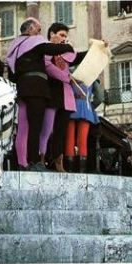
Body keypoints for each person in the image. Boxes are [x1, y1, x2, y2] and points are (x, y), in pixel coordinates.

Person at [6, 18, 74, 171]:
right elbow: (52, 49)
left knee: (23, 127)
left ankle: (22, 163)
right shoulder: (34, 41)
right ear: (30, 30)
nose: (40, 33)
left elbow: (11, 75)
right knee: (35, 126)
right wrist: (67, 46)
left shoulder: (14, 46)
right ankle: (34, 162)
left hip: (22, 88)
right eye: (38, 29)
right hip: (36, 87)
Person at [40, 22, 86, 172]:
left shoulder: (65, 51)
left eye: (66, 36)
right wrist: (65, 77)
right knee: (46, 130)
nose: (64, 38)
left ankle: (58, 164)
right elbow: (47, 66)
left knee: (60, 132)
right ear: (52, 34)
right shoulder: (46, 47)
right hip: (51, 93)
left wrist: (97, 49)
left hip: (65, 96)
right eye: (61, 35)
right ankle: (40, 160)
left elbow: (77, 57)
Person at [64, 81, 101, 173]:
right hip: (85, 106)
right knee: (82, 140)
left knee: (69, 139)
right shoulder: (92, 75)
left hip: (70, 105)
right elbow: (100, 97)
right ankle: (82, 170)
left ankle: (70, 169)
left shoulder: (70, 72)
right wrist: (90, 105)